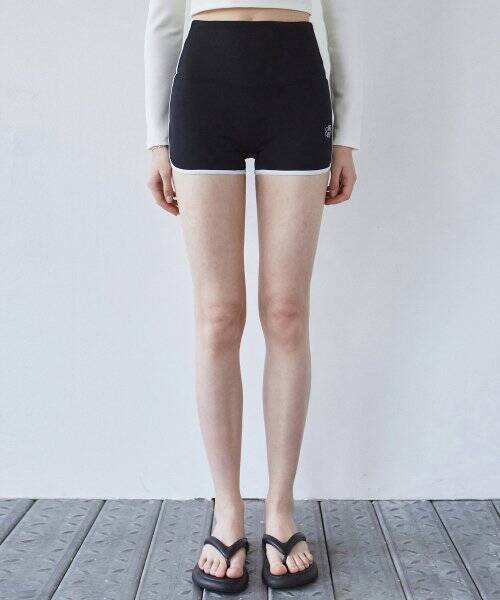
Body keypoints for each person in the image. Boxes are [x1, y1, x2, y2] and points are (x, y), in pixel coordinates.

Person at [145, 0, 362, 592]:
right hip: (204, 88)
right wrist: (156, 140)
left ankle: (281, 510)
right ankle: (227, 512)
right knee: (218, 316)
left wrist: (347, 137)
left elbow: (342, 19)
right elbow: (163, 19)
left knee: (286, 313)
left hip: (296, 87)